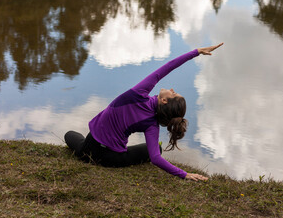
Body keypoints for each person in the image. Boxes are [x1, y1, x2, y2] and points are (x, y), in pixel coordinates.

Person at [65, 43, 223, 181]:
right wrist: (184, 174)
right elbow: (155, 158)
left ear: (164, 100)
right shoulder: (152, 125)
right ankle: (91, 155)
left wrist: (196, 52)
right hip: (111, 159)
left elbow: (168, 67)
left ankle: (84, 154)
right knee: (156, 149)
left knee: (69, 135)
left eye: (173, 93)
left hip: (88, 146)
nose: (172, 89)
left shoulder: (138, 93)